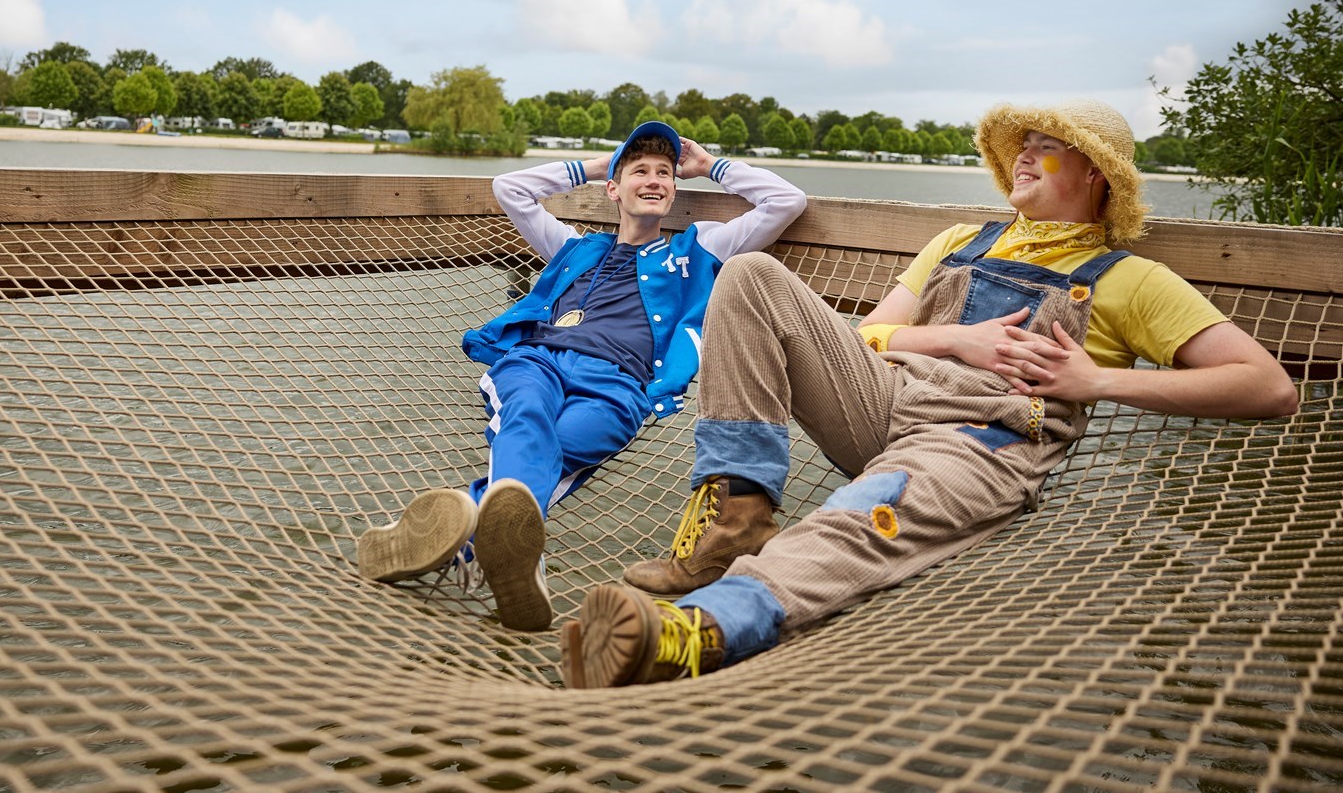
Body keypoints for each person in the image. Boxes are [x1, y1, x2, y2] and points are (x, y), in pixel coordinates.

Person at [558, 99, 1297, 687]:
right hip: (884, 401)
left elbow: (1268, 386)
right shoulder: (959, 241)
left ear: (1096, 174)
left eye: (1048, 146)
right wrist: (952, 340)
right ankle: (731, 526)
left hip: (977, 442)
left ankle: (697, 631)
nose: (1025, 155)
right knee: (750, 276)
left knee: (853, 517)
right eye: (1024, 144)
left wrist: (1097, 381)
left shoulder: (1131, 280)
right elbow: (870, 336)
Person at [357, 121, 806, 631]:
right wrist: (597, 166)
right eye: (640, 171)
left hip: (620, 385)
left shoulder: (697, 252)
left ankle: (471, 537)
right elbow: (510, 189)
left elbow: (785, 201)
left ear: (674, 189)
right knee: (527, 415)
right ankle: (500, 549)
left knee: (557, 445)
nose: (654, 180)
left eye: (664, 173)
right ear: (614, 189)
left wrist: (709, 166)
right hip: (539, 360)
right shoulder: (574, 248)